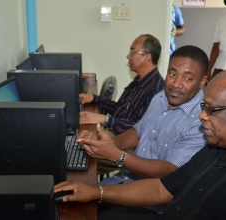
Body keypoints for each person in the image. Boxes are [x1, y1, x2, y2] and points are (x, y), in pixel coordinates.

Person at [54, 69, 226, 220]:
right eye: (203, 107)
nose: (201, 116)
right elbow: (162, 188)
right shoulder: (219, 147)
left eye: (210, 109)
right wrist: (95, 191)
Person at [69, 45, 208, 216]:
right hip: (125, 181)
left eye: (187, 79)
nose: (176, 84)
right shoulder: (161, 97)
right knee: (70, 199)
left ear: (202, 81)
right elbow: (138, 131)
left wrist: (117, 155)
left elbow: (169, 171)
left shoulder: (201, 121)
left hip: (153, 205)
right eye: (172, 74)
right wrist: (109, 143)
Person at [79, 34, 164, 135]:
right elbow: (119, 109)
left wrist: (105, 119)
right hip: (116, 132)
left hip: (127, 144)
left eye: (132, 51)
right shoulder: (139, 80)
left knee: (83, 138)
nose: (128, 56)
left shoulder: (156, 91)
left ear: (147, 57)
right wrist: (94, 98)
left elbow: (139, 129)